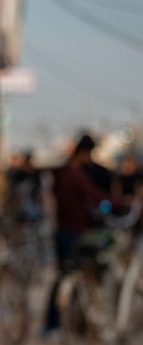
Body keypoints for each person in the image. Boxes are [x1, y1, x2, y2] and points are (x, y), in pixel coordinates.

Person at [42, 133, 128, 334]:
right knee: (77, 276)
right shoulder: (75, 174)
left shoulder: (60, 172)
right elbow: (95, 195)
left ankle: (55, 324)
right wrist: (126, 202)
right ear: (84, 152)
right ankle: (63, 324)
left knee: (64, 276)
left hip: (62, 230)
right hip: (75, 232)